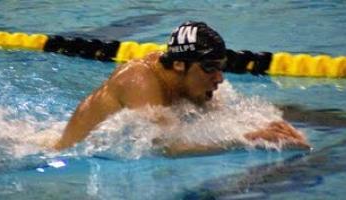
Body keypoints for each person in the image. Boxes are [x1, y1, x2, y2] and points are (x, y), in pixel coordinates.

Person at [53, 21, 311, 156]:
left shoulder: (188, 82)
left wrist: (265, 129)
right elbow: (167, 148)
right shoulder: (140, 81)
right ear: (178, 64)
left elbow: (218, 119)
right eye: (210, 68)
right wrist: (249, 140)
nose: (219, 78)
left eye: (221, 67)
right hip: (64, 153)